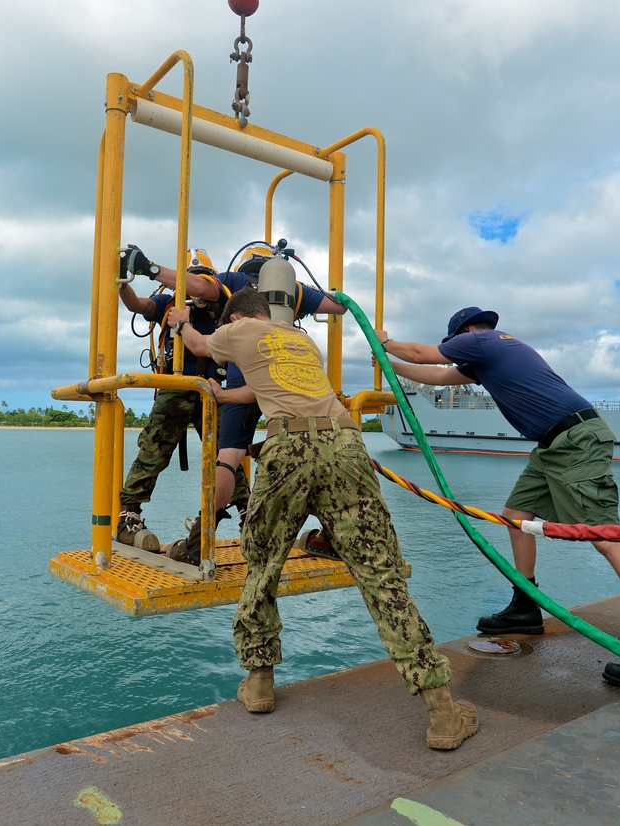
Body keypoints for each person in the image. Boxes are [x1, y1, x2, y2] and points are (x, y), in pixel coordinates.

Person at [167, 290, 479, 750]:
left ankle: (258, 685)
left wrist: (179, 322)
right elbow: (269, 384)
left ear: (236, 316)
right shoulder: (300, 341)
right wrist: (226, 391)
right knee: (381, 578)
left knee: (264, 564)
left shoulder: (236, 330)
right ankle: (442, 714)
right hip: (345, 446)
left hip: (286, 448)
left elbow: (196, 346)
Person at [375, 307, 620, 690]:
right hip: (553, 444)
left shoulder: (480, 340)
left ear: (464, 333)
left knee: (605, 537)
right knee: (516, 514)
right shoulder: (490, 353)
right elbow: (437, 377)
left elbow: (424, 355)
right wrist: (386, 360)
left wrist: (385, 341)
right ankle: (526, 605)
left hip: (576, 441)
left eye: (452, 343)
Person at [125, 244, 348, 565]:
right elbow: (337, 307)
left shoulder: (234, 284)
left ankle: (197, 542)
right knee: (310, 459)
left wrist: (149, 272)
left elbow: (200, 335)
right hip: (288, 390)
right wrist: (335, 294)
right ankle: (310, 530)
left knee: (226, 459)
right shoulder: (295, 291)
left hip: (236, 382)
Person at [114, 247, 249, 549]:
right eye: (190, 282)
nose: (196, 291)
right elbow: (137, 304)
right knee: (153, 450)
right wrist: (122, 283)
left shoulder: (226, 305)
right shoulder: (168, 303)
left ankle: (247, 515)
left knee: (228, 455)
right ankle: (128, 517)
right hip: (176, 387)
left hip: (214, 389)